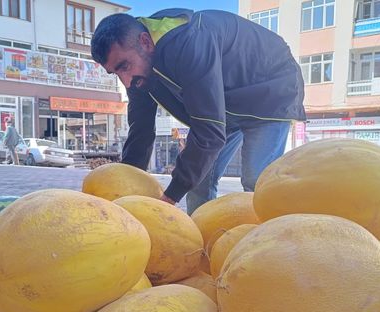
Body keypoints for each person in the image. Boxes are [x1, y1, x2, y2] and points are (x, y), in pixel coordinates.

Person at [91, 9, 305, 214]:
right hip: (226, 103)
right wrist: (126, 188)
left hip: (271, 90)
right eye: (115, 72)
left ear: (146, 42)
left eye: (124, 66)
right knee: (198, 180)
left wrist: (169, 198)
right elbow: (141, 129)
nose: (125, 80)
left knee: (256, 180)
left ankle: (265, 241)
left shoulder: (190, 43)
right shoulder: (137, 73)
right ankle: (201, 241)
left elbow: (208, 131)